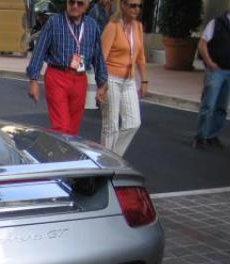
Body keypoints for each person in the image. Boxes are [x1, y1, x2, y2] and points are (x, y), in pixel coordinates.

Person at [26, 0, 108, 136]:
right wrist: (33, 80)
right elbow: (39, 51)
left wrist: (102, 84)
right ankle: (57, 154)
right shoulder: (54, 22)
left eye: (80, 3)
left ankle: (62, 155)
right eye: (71, 2)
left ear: (86, 6)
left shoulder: (92, 26)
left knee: (73, 129)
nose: (75, 6)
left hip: (80, 80)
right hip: (57, 77)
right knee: (61, 127)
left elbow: (98, 57)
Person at [99, 0, 148, 156]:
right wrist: (101, 84)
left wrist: (144, 81)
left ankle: (111, 157)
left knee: (133, 123)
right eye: (133, 5)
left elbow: (140, 57)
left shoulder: (138, 27)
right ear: (123, 5)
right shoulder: (113, 27)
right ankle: (105, 164)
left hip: (129, 81)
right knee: (111, 126)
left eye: (139, 6)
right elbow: (101, 58)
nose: (136, 9)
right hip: (111, 79)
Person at [192, 0, 230, 149]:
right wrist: (210, 63)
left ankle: (212, 136)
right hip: (216, 70)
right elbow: (202, 43)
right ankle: (200, 137)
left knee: (222, 107)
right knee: (208, 104)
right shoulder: (217, 23)